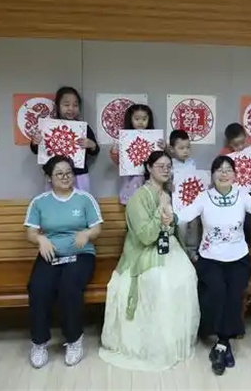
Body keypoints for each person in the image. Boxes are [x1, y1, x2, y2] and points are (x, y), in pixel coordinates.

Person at [176, 155, 251, 376]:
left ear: (235, 175)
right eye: (219, 170)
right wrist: (169, 217)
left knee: (234, 293)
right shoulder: (204, 197)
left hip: (238, 257)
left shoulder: (241, 195)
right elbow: (185, 215)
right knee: (216, 291)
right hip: (210, 258)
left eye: (228, 170)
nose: (224, 173)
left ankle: (222, 344)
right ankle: (223, 341)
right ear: (212, 175)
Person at [99, 151, 200, 371]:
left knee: (186, 276)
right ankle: (154, 344)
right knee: (160, 281)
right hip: (144, 250)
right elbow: (145, 236)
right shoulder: (138, 197)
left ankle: (174, 341)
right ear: (149, 168)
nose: (165, 170)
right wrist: (160, 210)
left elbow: (172, 227)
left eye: (168, 166)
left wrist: (171, 219)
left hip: (168, 246)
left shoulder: (169, 193)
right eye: (160, 166)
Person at [24, 155, 103, 368]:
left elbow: (97, 228)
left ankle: (74, 339)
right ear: (49, 177)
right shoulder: (40, 202)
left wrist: (86, 234)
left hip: (81, 254)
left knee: (69, 286)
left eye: (68, 173)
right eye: (59, 174)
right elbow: (30, 232)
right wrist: (41, 239)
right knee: (38, 287)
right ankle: (39, 342)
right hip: (51, 255)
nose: (65, 177)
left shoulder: (85, 199)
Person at [30, 86, 100, 192]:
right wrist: (35, 142)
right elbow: (37, 150)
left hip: (79, 175)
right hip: (55, 175)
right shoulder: (48, 126)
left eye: (75, 105)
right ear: (58, 106)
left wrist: (92, 145)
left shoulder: (83, 127)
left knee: (80, 200)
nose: (71, 108)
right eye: (66, 105)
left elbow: (95, 150)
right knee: (54, 201)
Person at [218, 123, 251, 248]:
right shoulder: (224, 154)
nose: (240, 147)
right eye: (236, 145)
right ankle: (230, 247)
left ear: (246, 137)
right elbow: (218, 171)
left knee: (247, 222)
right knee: (230, 222)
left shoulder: (249, 150)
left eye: (242, 142)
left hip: (246, 196)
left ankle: (248, 247)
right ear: (229, 143)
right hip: (230, 196)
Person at [109, 104, 165, 205]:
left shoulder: (154, 138)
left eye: (144, 119)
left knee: (150, 203)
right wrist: (115, 150)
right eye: (137, 119)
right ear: (130, 120)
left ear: (149, 120)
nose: (140, 122)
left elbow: (161, 160)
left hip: (150, 179)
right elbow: (118, 161)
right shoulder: (124, 138)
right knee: (133, 204)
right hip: (130, 181)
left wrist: (164, 148)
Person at [168, 129, 200, 256]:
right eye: (181, 148)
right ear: (172, 149)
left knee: (194, 225)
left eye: (188, 147)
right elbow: (167, 183)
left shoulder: (192, 163)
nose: (185, 151)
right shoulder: (170, 165)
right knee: (181, 227)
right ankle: (182, 252)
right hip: (178, 204)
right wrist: (169, 186)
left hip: (192, 202)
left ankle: (192, 251)